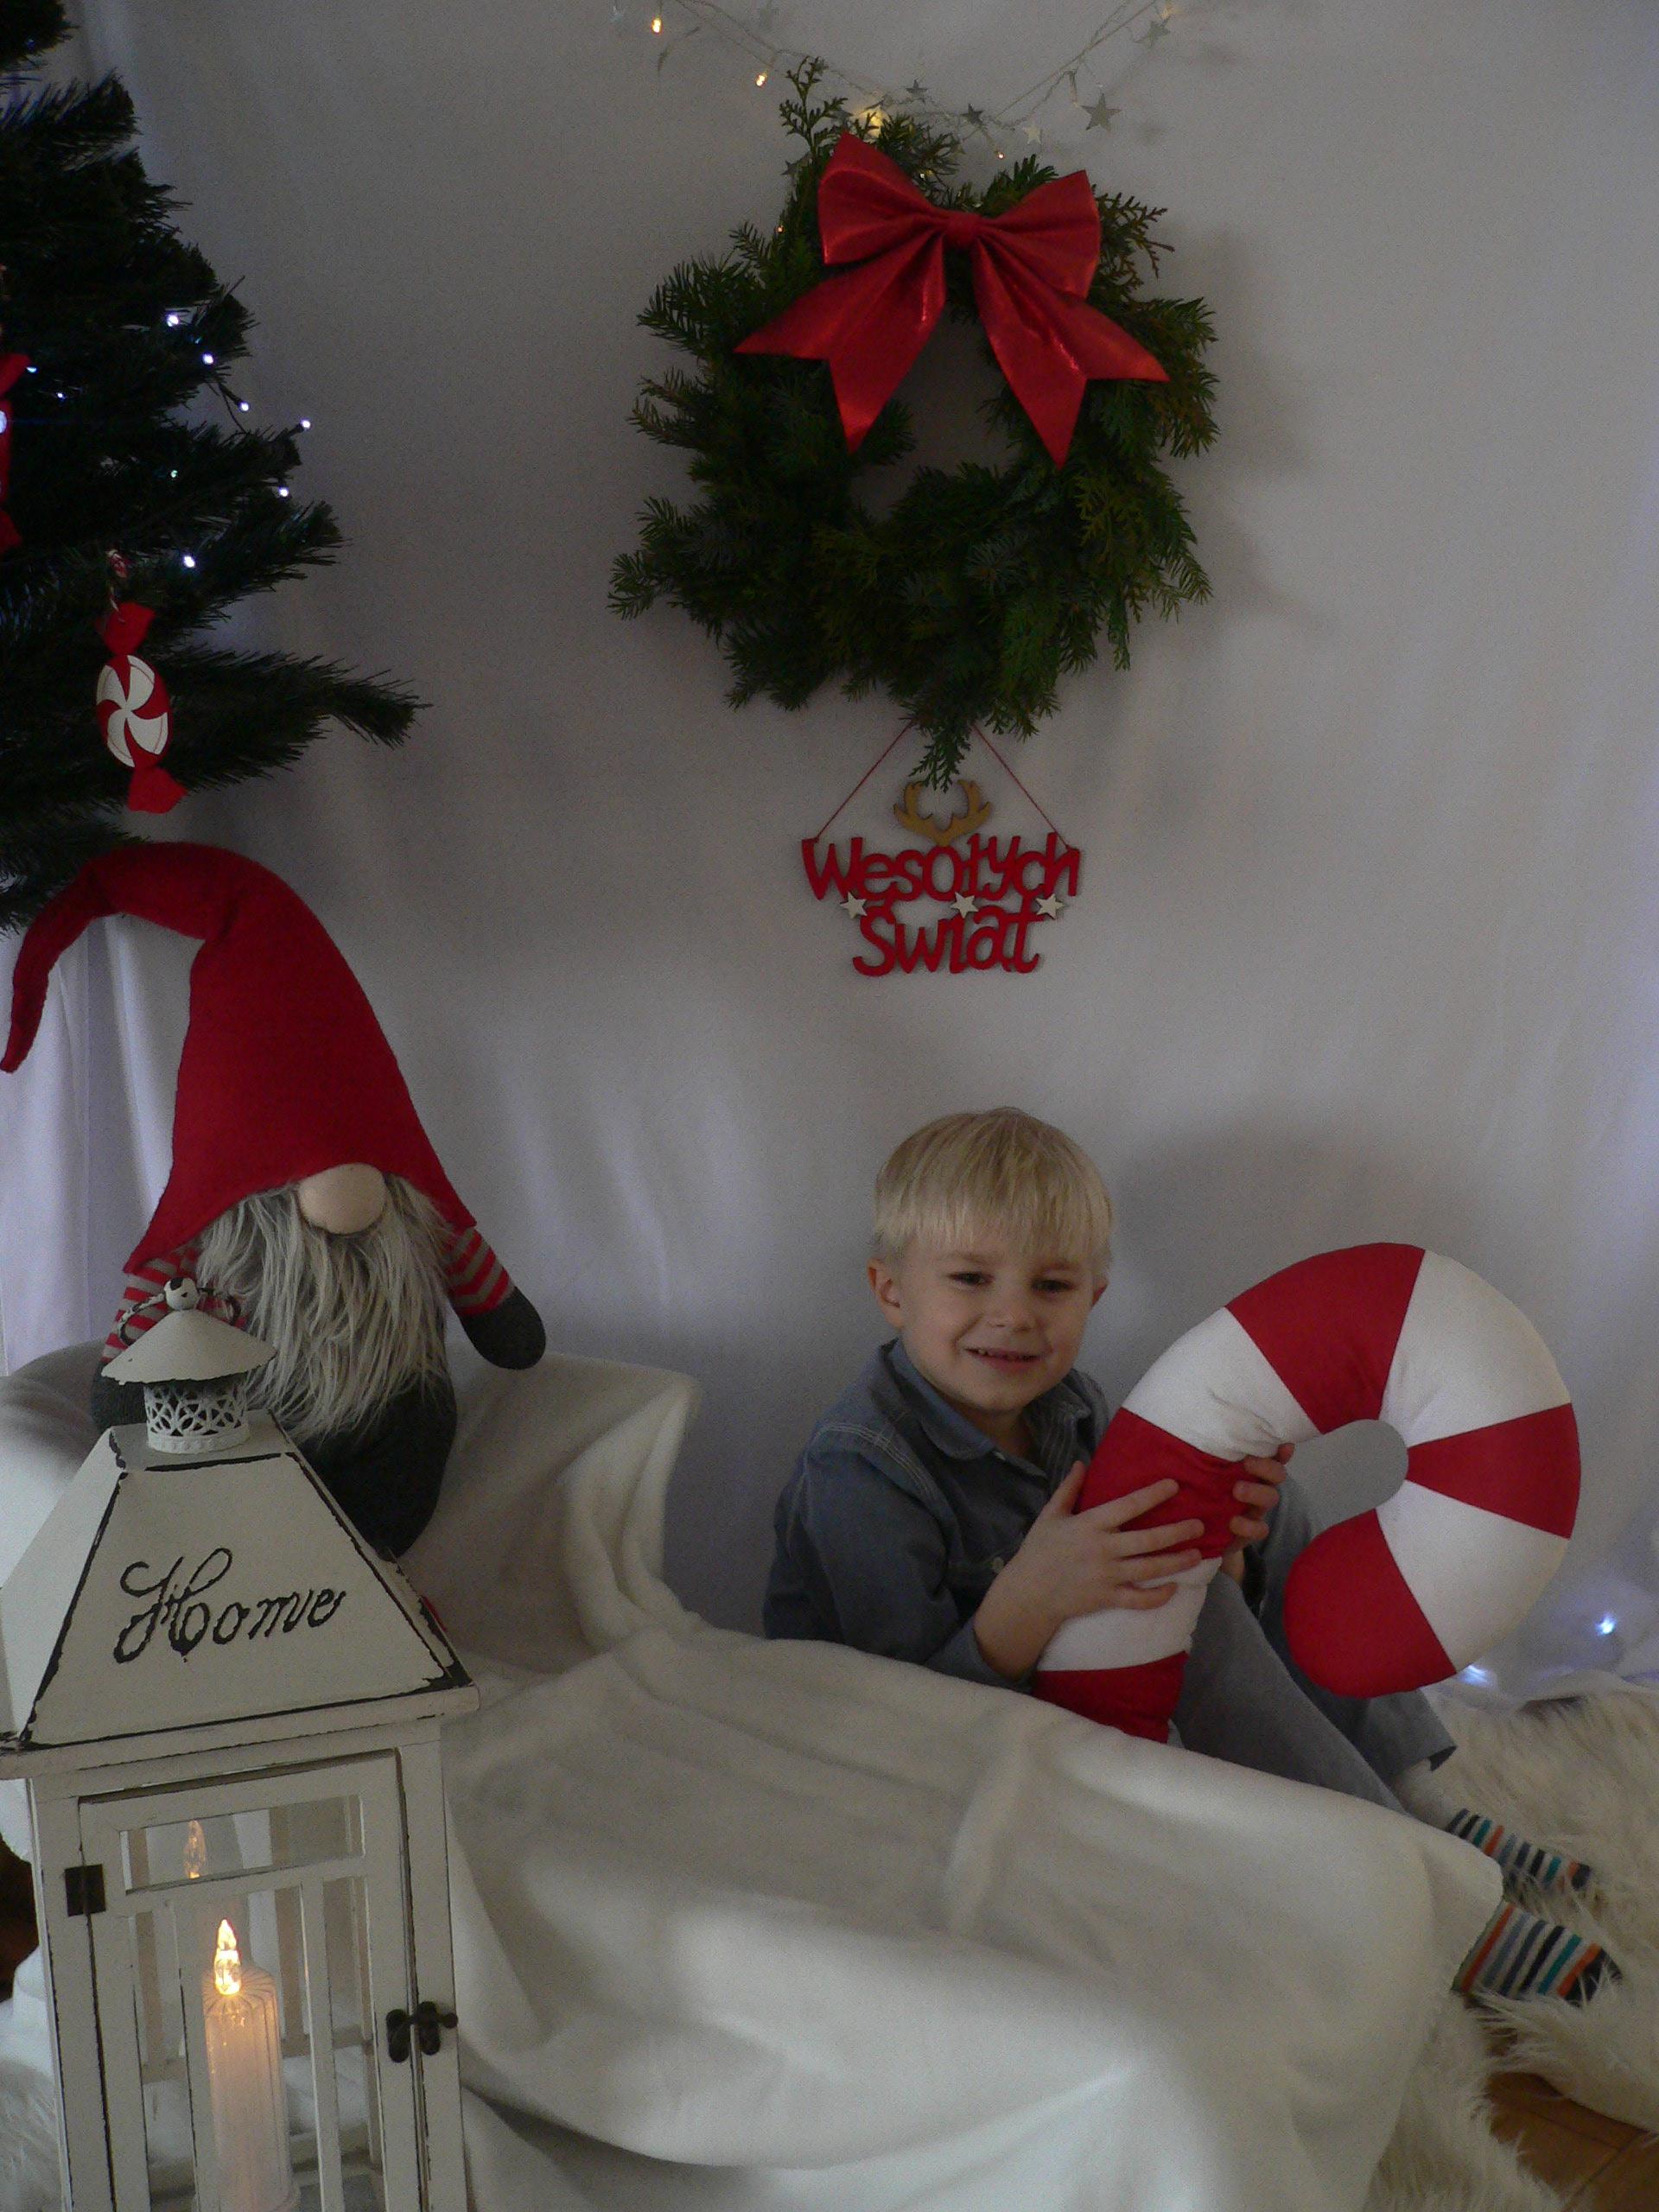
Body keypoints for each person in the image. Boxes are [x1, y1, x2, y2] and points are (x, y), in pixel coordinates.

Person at [765, 1108, 1616, 2005]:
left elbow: (1180, 1594)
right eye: (971, 1278)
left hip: (1063, 1691)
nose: (1012, 1314)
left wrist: (1231, 1550)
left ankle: (1419, 1806)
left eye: (1051, 1285)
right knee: (1176, 1595)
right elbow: (898, 1718)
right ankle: (1433, 1901)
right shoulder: (863, 1468)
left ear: (1094, 1296)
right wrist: (1030, 1600)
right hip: (919, 1754)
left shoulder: (1072, 1409)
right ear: (891, 1290)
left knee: (1265, 1506)